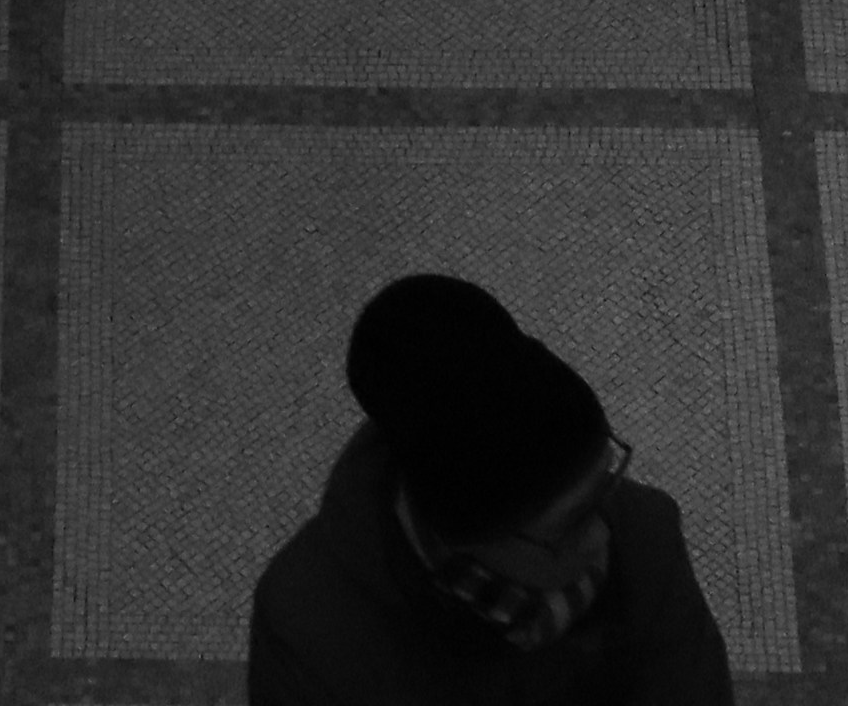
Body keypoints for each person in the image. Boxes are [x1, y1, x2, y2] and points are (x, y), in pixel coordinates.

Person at [250, 276, 732, 706]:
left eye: (606, 481)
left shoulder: (646, 535)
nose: (604, 535)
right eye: (569, 526)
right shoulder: (311, 632)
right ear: (465, 540)